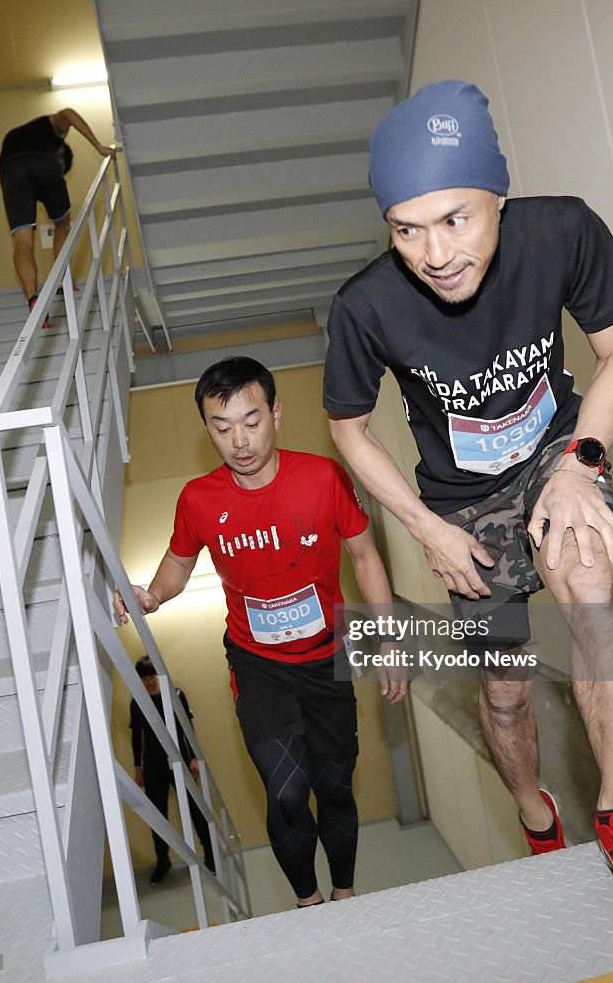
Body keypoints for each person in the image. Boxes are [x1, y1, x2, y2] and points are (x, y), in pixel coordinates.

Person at [323, 81, 613, 936]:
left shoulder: (562, 229)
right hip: (460, 506)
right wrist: (426, 529)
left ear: (498, 192)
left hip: (555, 457)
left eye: (457, 218)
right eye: (407, 228)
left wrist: (582, 463)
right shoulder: (366, 305)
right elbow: (348, 427)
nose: (435, 252)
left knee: (594, 585)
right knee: (505, 694)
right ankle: (538, 818)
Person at [115, 356, 406, 908]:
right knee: (289, 790)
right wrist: (151, 595)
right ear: (208, 431)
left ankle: (346, 892)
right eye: (221, 428)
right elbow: (178, 565)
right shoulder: (199, 500)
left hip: (327, 661)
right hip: (258, 665)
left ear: (276, 413)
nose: (239, 440)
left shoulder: (322, 477)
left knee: (335, 786)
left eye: (251, 421)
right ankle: (308, 901)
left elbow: (365, 557)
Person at [0, 109, 114, 322]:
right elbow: (69, 113)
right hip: (44, 164)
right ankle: (62, 279)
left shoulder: (15, 136)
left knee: (22, 238)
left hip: (11, 170)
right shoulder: (52, 133)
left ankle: (33, 298)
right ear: (60, 157)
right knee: (62, 223)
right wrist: (98, 146)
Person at [129, 655, 215, 883]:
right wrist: (138, 767)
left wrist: (194, 757)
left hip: (181, 760)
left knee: (195, 809)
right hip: (153, 764)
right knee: (158, 814)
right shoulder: (137, 701)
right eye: (144, 677)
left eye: (151, 676)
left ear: (158, 675)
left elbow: (188, 728)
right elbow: (137, 737)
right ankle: (163, 860)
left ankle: (211, 855)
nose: (148, 681)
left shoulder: (175, 695)